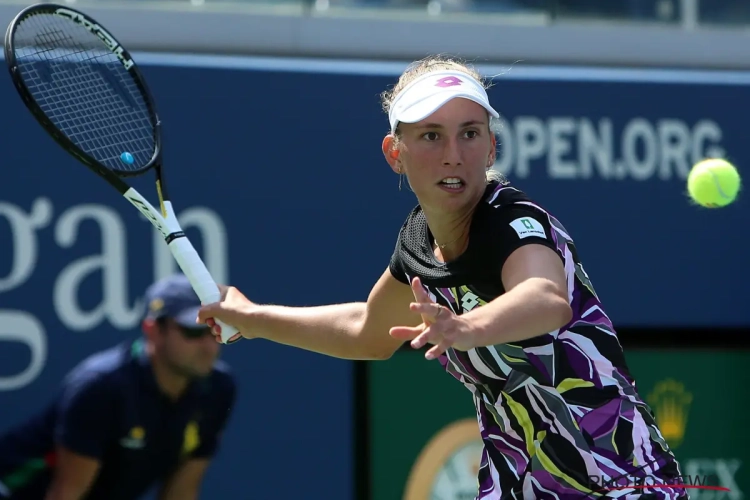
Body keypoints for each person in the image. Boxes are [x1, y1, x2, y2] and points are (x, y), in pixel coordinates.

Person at [199, 56, 686, 498]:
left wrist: (464, 327)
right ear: (395, 153)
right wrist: (254, 318)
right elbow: (369, 332)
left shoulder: (514, 221)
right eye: (431, 135)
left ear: (491, 147)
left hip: (621, 481)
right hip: (517, 486)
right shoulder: (417, 246)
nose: (454, 153)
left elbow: (545, 297)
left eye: (470, 133)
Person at [0, 274, 237, 500]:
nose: (209, 346)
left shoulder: (218, 390)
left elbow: (180, 492)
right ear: (153, 330)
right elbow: (66, 494)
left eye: (215, 329)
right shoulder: (101, 387)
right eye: (193, 331)